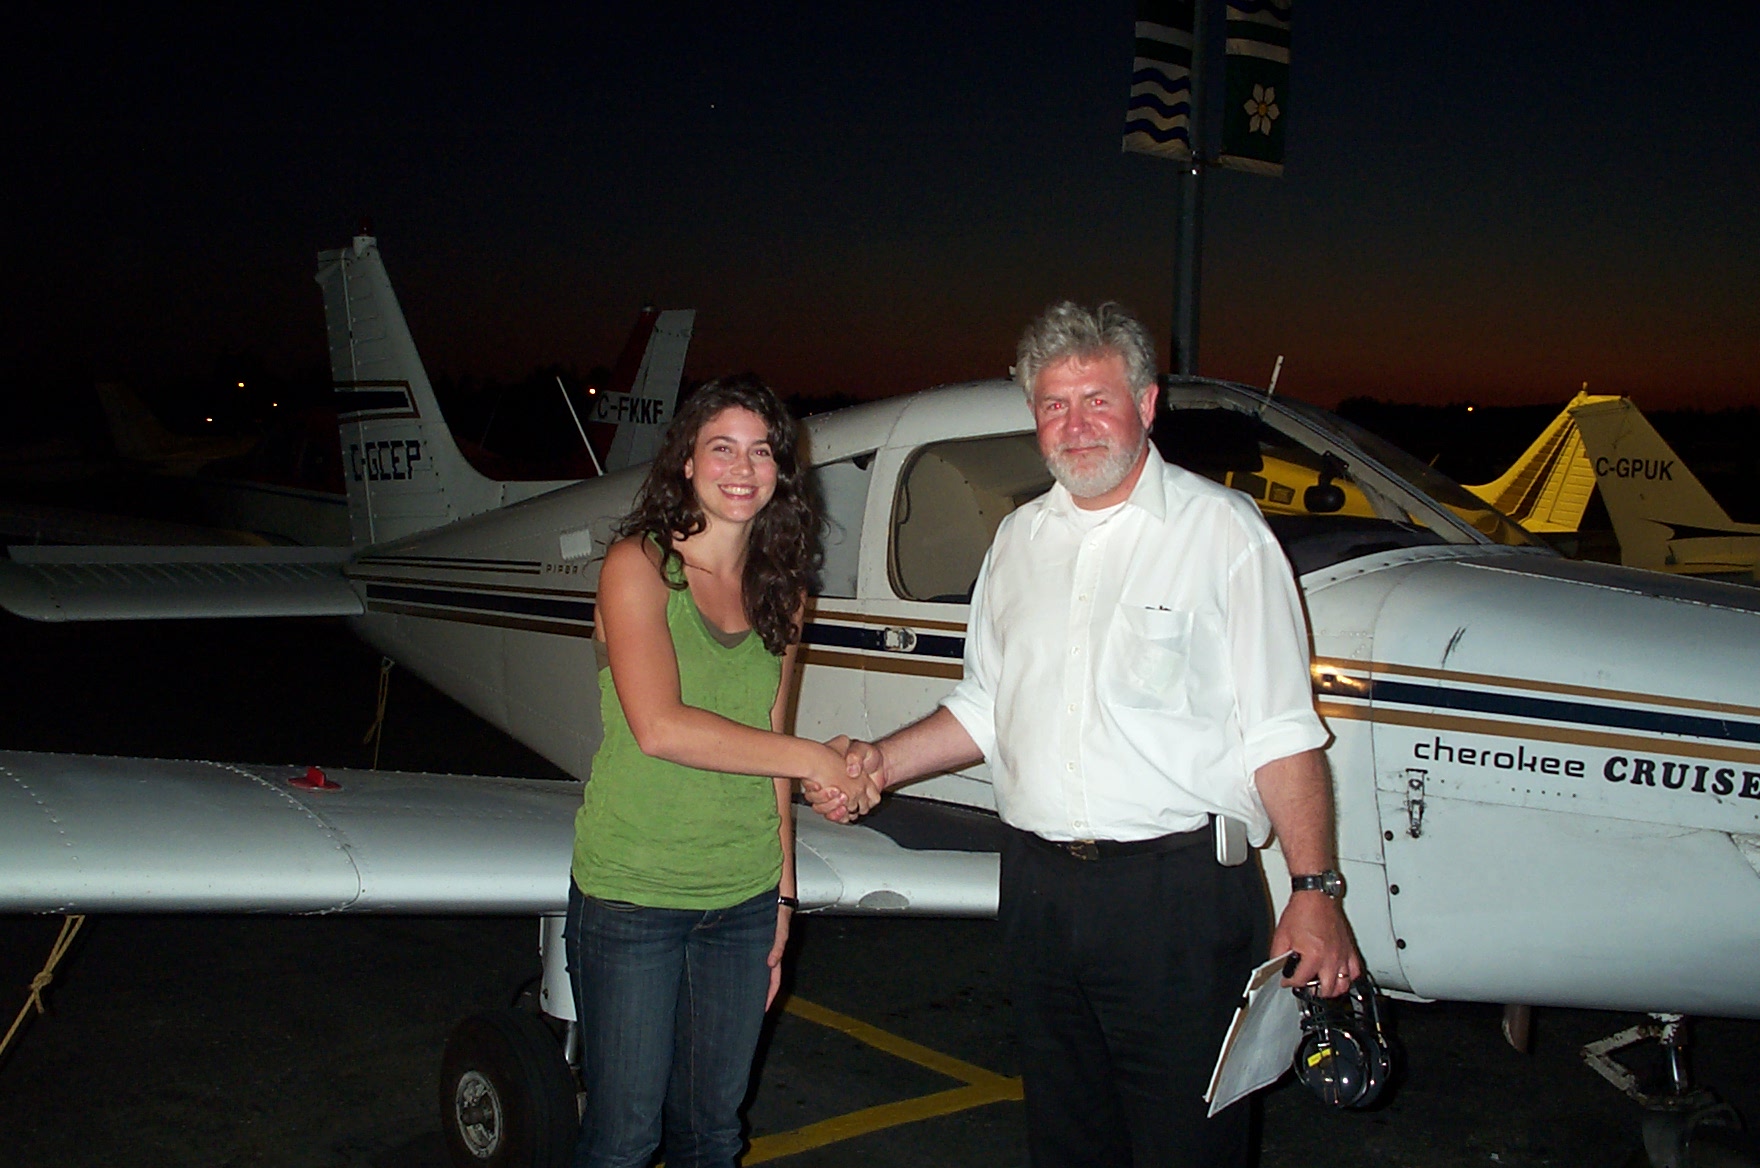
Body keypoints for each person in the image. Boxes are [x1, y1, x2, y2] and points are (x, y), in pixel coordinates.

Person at [811, 303, 1361, 1167]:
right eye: (1053, 405)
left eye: (1097, 400)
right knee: (1067, 1141)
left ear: (1146, 404)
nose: (1075, 426)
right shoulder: (1019, 539)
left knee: (1189, 1146)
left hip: (1173, 900)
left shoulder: (1222, 534)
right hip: (1038, 894)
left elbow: (1282, 730)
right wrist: (880, 762)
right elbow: (989, 706)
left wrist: (1315, 891)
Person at [566, 374, 870, 1168]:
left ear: (781, 470)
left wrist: (782, 897)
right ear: (687, 463)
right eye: (722, 448)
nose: (744, 467)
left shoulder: (783, 591)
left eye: (761, 450)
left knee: (713, 1132)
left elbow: (772, 733)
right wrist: (817, 760)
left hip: (740, 900)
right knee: (624, 1137)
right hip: (634, 892)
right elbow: (660, 727)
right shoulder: (638, 567)